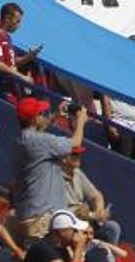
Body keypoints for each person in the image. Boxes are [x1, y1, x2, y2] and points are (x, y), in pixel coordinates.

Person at [11, 96, 88, 244]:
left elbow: (37, 130)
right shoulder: (39, 141)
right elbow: (75, 142)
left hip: (32, 215)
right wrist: (81, 121)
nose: (46, 115)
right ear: (34, 119)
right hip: (42, 219)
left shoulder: (20, 140)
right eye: (43, 113)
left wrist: (54, 117)